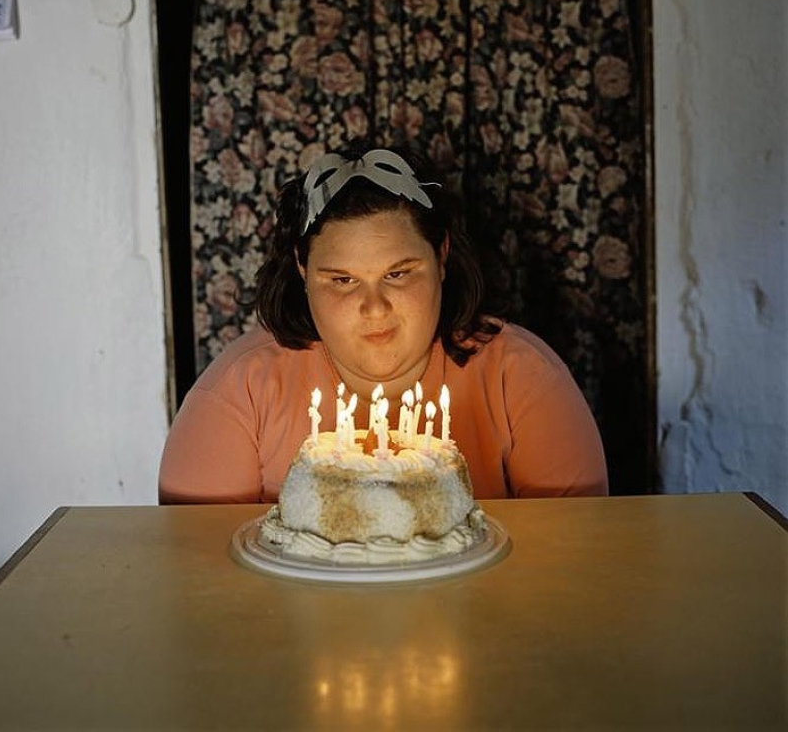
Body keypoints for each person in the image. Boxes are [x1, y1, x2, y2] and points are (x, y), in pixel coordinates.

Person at [159, 143, 608, 503]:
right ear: (302, 269)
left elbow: (570, 560)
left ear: (442, 256)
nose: (374, 308)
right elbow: (200, 570)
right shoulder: (241, 392)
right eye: (342, 280)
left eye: (398, 274)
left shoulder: (523, 378)